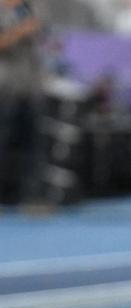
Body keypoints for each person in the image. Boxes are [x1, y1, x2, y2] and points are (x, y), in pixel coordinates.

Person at [0, 0, 42, 205]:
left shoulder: (27, 9)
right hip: (5, 87)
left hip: (29, 86)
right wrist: (19, 31)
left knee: (31, 143)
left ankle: (28, 197)